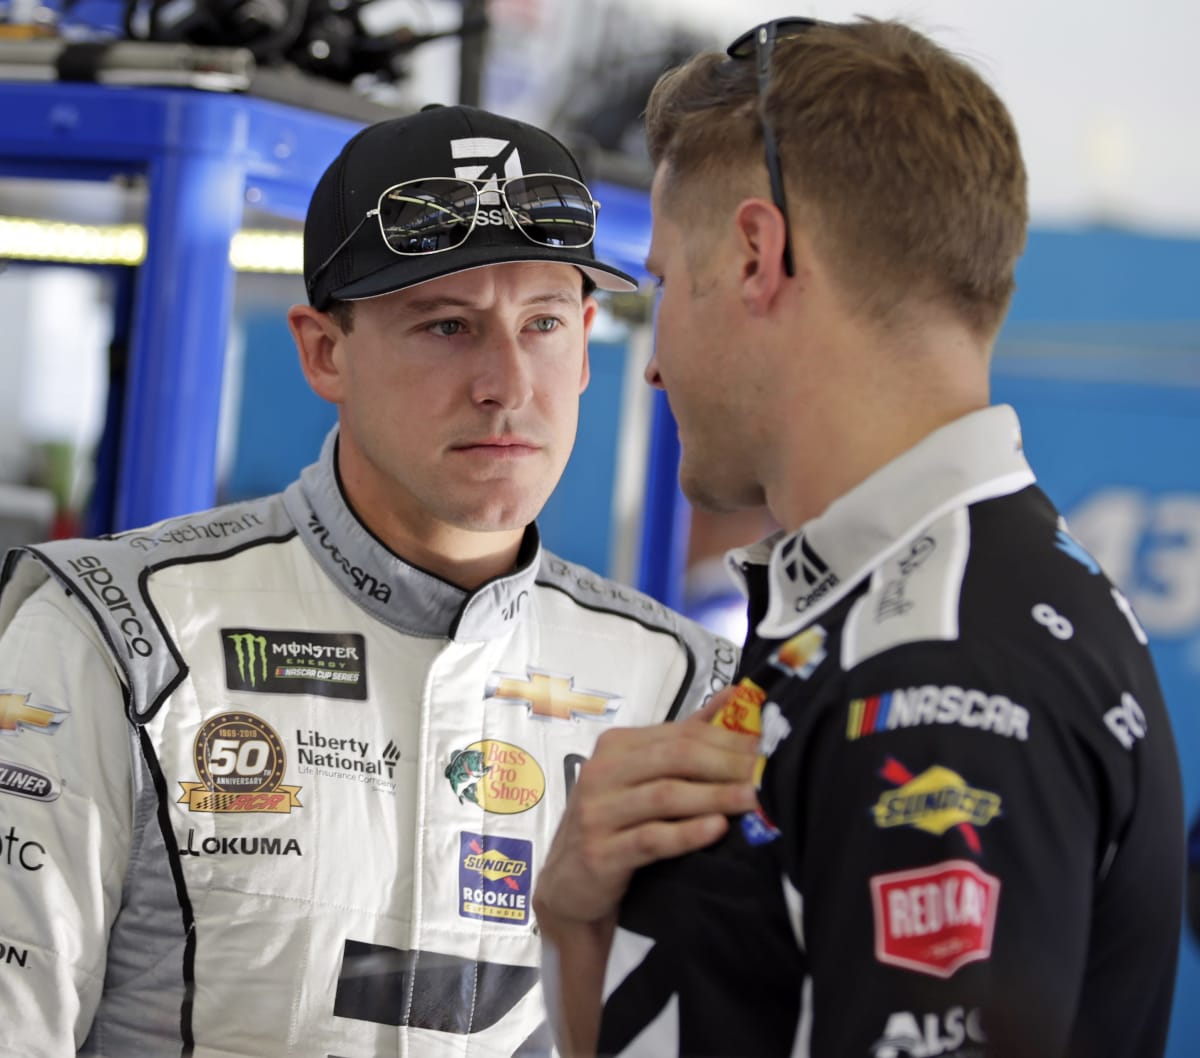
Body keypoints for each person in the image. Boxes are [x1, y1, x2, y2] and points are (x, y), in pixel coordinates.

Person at [0, 103, 737, 1057]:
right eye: (447, 325)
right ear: (324, 352)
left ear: (588, 337)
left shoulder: (688, 691)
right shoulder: (112, 633)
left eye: (544, 323)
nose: (508, 383)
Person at [533, 16, 1186, 1058]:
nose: (652, 363)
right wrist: (576, 925)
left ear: (757, 254)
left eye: (660, 285)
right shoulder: (893, 600)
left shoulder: (937, 661)